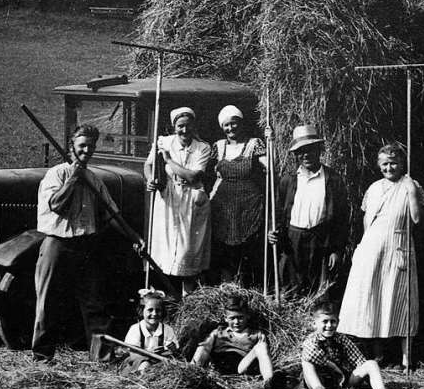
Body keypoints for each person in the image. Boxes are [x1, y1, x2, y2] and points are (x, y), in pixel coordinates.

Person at [32, 124, 144, 363]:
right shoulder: (57, 174)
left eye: (91, 146)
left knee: (95, 303)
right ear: (71, 147)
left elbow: (112, 214)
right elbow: (56, 205)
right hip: (57, 246)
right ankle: (42, 357)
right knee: (47, 303)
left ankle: (102, 356)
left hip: (86, 247)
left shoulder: (94, 179)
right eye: (82, 145)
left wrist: (135, 238)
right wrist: (74, 177)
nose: (86, 151)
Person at [338, 142, 424, 368]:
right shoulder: (375, 188)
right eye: (385, 164)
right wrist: (363, 247)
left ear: (402, 163)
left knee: (401, 301)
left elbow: (416, 219)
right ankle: (379, 355)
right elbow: (368, 221)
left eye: (394, 163)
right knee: (376, 298)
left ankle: (406, 359)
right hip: (373, 249)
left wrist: (411, 191)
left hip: (398, 246)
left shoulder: (411, 185)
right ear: (379, 165)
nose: (390, 168)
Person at [269, 124, 350, 298]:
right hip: (293, 240)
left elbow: (342, 220)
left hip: (320, 240)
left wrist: (337, 250)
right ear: (296, 155)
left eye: (310, 149)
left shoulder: (333, 180)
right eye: (301, 151)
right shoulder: (288, 180)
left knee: (320, 291)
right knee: (291, 290)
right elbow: (278, 212)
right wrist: (273, 231)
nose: (306, 155)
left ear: (319, 150)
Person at [145, 107, 215, 297]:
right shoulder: (164, 142)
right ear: (174, 126)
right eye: (180, 126)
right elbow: (149, 164)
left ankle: (188, 300)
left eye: (188, 126)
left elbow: (192, 177)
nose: (184, 130)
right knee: (164, 250)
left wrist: (168, 161)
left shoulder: (203, 148)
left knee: (187, 252)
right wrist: (150, 179)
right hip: (168, 199)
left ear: (194, 126)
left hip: (192, 200)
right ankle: (165, 298)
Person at [209, 105, 267, 285]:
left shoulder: (254, 144)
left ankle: (245, 287)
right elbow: (211, 175)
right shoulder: (218, 147)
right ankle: (227, 288)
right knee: (224, 247)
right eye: (226, 125)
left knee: (247, 247)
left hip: (248, 205)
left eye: (234, 124)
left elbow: (269, 168)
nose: (230, 128)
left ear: (240, 124)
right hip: (223, 204)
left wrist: (270, 143)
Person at [300, 300, 388, 389]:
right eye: (325, 321)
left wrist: (367, 376)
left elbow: (358, 359)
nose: (329, 325)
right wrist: (334, 367)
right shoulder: (311, 340)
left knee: (371, 364)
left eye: (333, 321)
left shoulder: (341, 339)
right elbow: (311, 356)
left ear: (338, 322)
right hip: (320, 379)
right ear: (314, 324)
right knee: (307, 363)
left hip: (343, 381)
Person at [192, 296, 281, 389]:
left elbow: (262, 354)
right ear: (226, 318)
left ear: (247, 316)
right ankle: (191, 372)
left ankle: (269, 382)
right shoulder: (218, 332)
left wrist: (260, 340)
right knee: (204, 345)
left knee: (261, 346)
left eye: (240, 318)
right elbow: (205, 349)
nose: (236, 322)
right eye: (232, 318)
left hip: (241, 367)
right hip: (220, 367)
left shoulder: (255, 334)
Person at [122, 289, 179, 374]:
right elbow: (133, 354)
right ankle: (141, 379)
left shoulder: (167, 330)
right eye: (150, 310)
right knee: (145, 365)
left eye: (158, 310)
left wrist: (170, 348)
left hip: (161, 361)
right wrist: (150, 354)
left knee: (169, 367)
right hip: (138, 362)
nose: (154, 314)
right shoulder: (136, 329)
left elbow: (174, 350)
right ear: (142, 311)